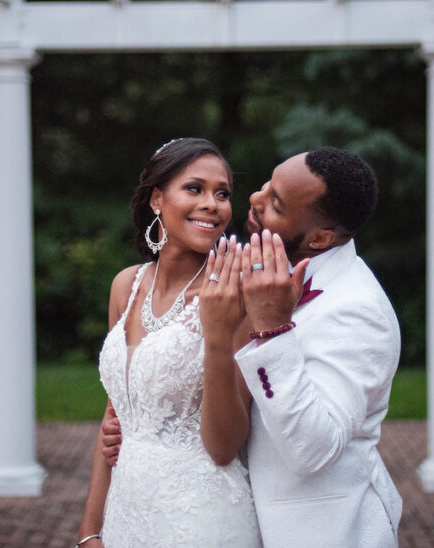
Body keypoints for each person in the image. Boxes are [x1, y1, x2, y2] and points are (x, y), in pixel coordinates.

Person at [102, 147, 403, 546]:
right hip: (194, 508)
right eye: (266, 185)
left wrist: (272, 329)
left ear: (320, 237)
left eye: (275, 203)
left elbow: (315, 450)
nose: (254, 200)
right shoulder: (257, 269)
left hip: (320, 532)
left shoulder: (359, 310)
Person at [76, 138, 262, 548]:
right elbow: (114, 418)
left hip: (200, 518)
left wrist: (216, 335)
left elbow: (225, 447)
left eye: (223, 193)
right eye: (195, 188)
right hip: (126, 511)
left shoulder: (236, 294)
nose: (212, 203)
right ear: (157, 199)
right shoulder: (126, 285)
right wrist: (89, 529)